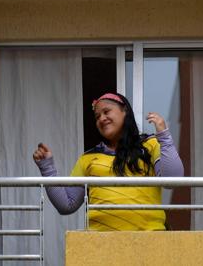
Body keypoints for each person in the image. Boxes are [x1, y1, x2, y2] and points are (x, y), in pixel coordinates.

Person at [32, 92, 182, 231]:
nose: (101, 119)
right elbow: (67, 205)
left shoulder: (150, 144)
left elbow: (173, 180)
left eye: (106, 111)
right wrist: (47, 169)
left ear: (125, 111)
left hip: (150, 240)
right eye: (97, 117)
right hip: (101, 246)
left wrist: (164, 136)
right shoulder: (88, 158)